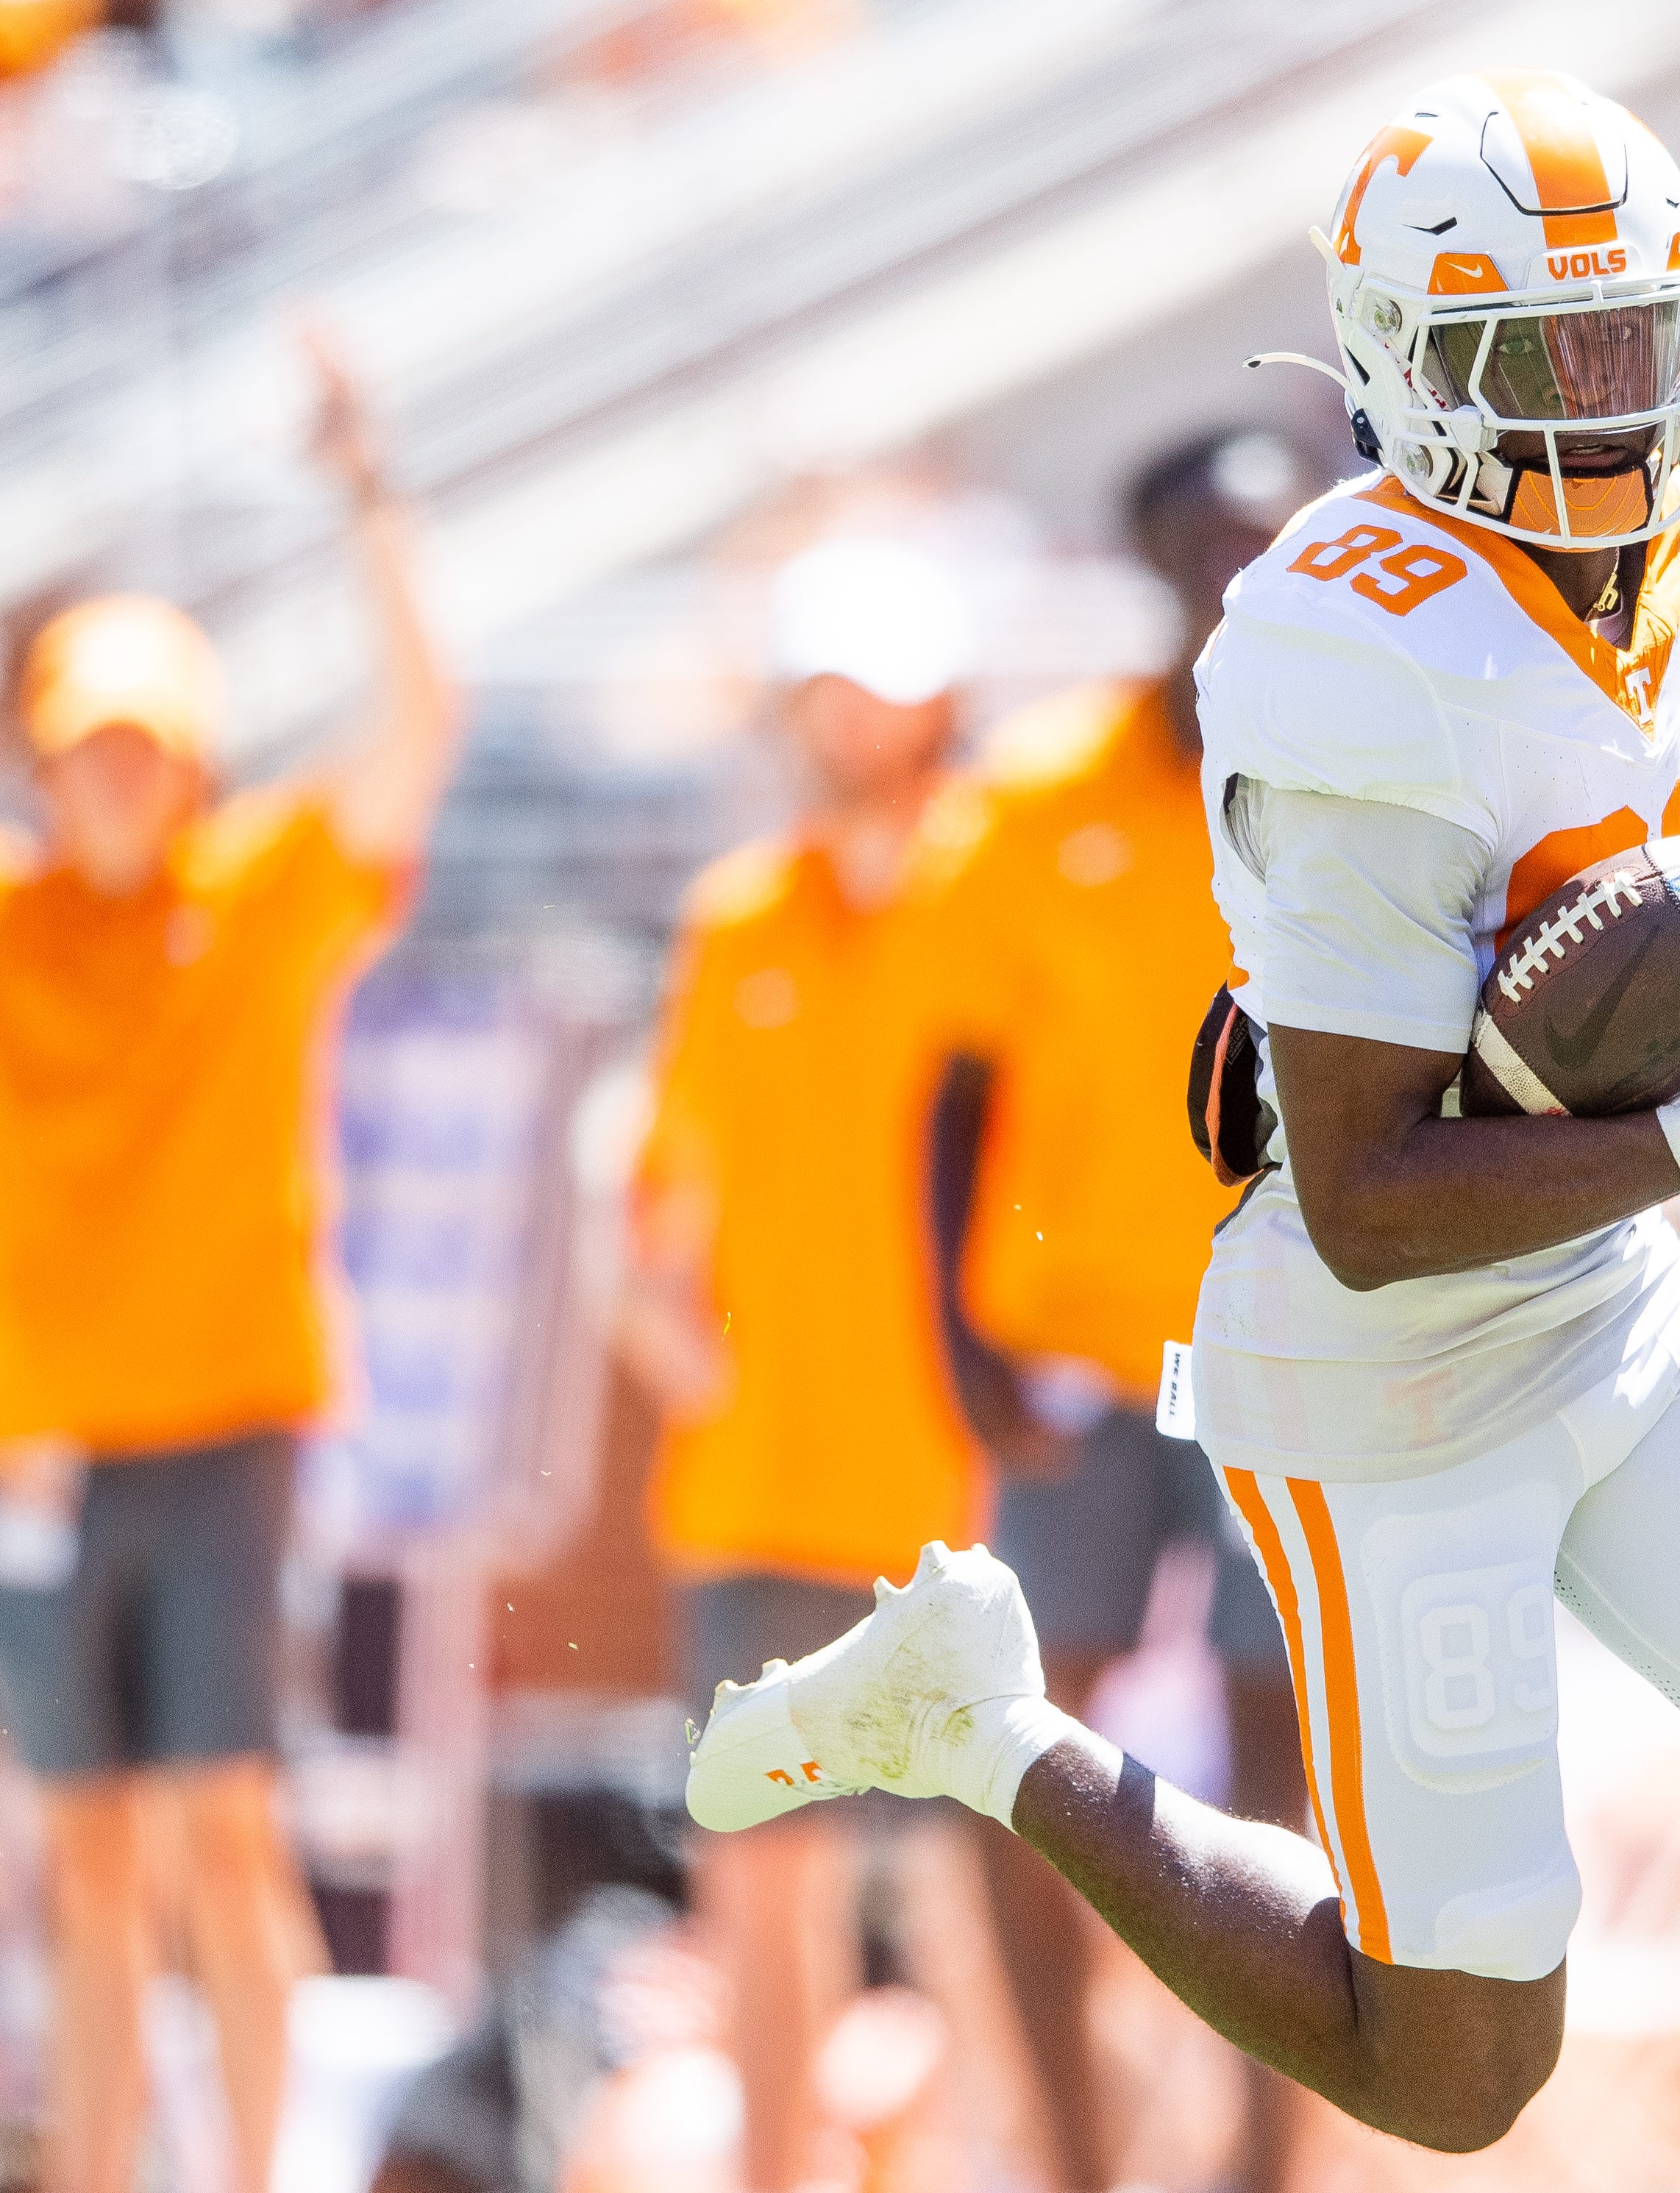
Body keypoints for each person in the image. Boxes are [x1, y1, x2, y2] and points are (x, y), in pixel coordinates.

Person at [683, 72, 1680, 2191]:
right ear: (1413, 375)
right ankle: (986, 1727)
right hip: (1390, 1361)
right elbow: (1375, 1192)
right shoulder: (1339, 656)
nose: (1609, 414)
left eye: (1636, 348)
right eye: (1546, 361)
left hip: (1603, 1289)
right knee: (1456, 2063)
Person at [0, 330, 463, 2193]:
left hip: (221, 1431)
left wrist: (369, 493)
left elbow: (424, 725)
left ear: (191, 754)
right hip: (44, 1445)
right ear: (49, 763)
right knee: (87, 1853)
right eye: (86, 750)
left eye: (144, 746)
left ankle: (249, 2177)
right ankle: (99, 2172)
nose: (116, 781)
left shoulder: (264, 892)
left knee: (222, 1827)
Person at [922, 429, 1314, 2193]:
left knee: (1290, 1790)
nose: (1234, 565)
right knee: (1021, 1760)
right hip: (1073, 1354)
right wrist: (957, 1335)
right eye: (1204, 538)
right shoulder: (1032, 795)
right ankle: (1074, 2159)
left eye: (1269, 532)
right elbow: (954, 1086)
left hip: (1286, 1351)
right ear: (1152, 561)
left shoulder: (1355, 787)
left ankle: (1261, 2166)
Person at [615, 538, 985, 2193]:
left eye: (888, 687)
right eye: (835, 683)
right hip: (761, 1490)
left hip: (960, 1493)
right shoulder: (733, 921)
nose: (859, 720)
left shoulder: (992, 906)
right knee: (766, 1904)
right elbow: (654, 1209)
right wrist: (686, 1353)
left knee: (984, 1905)